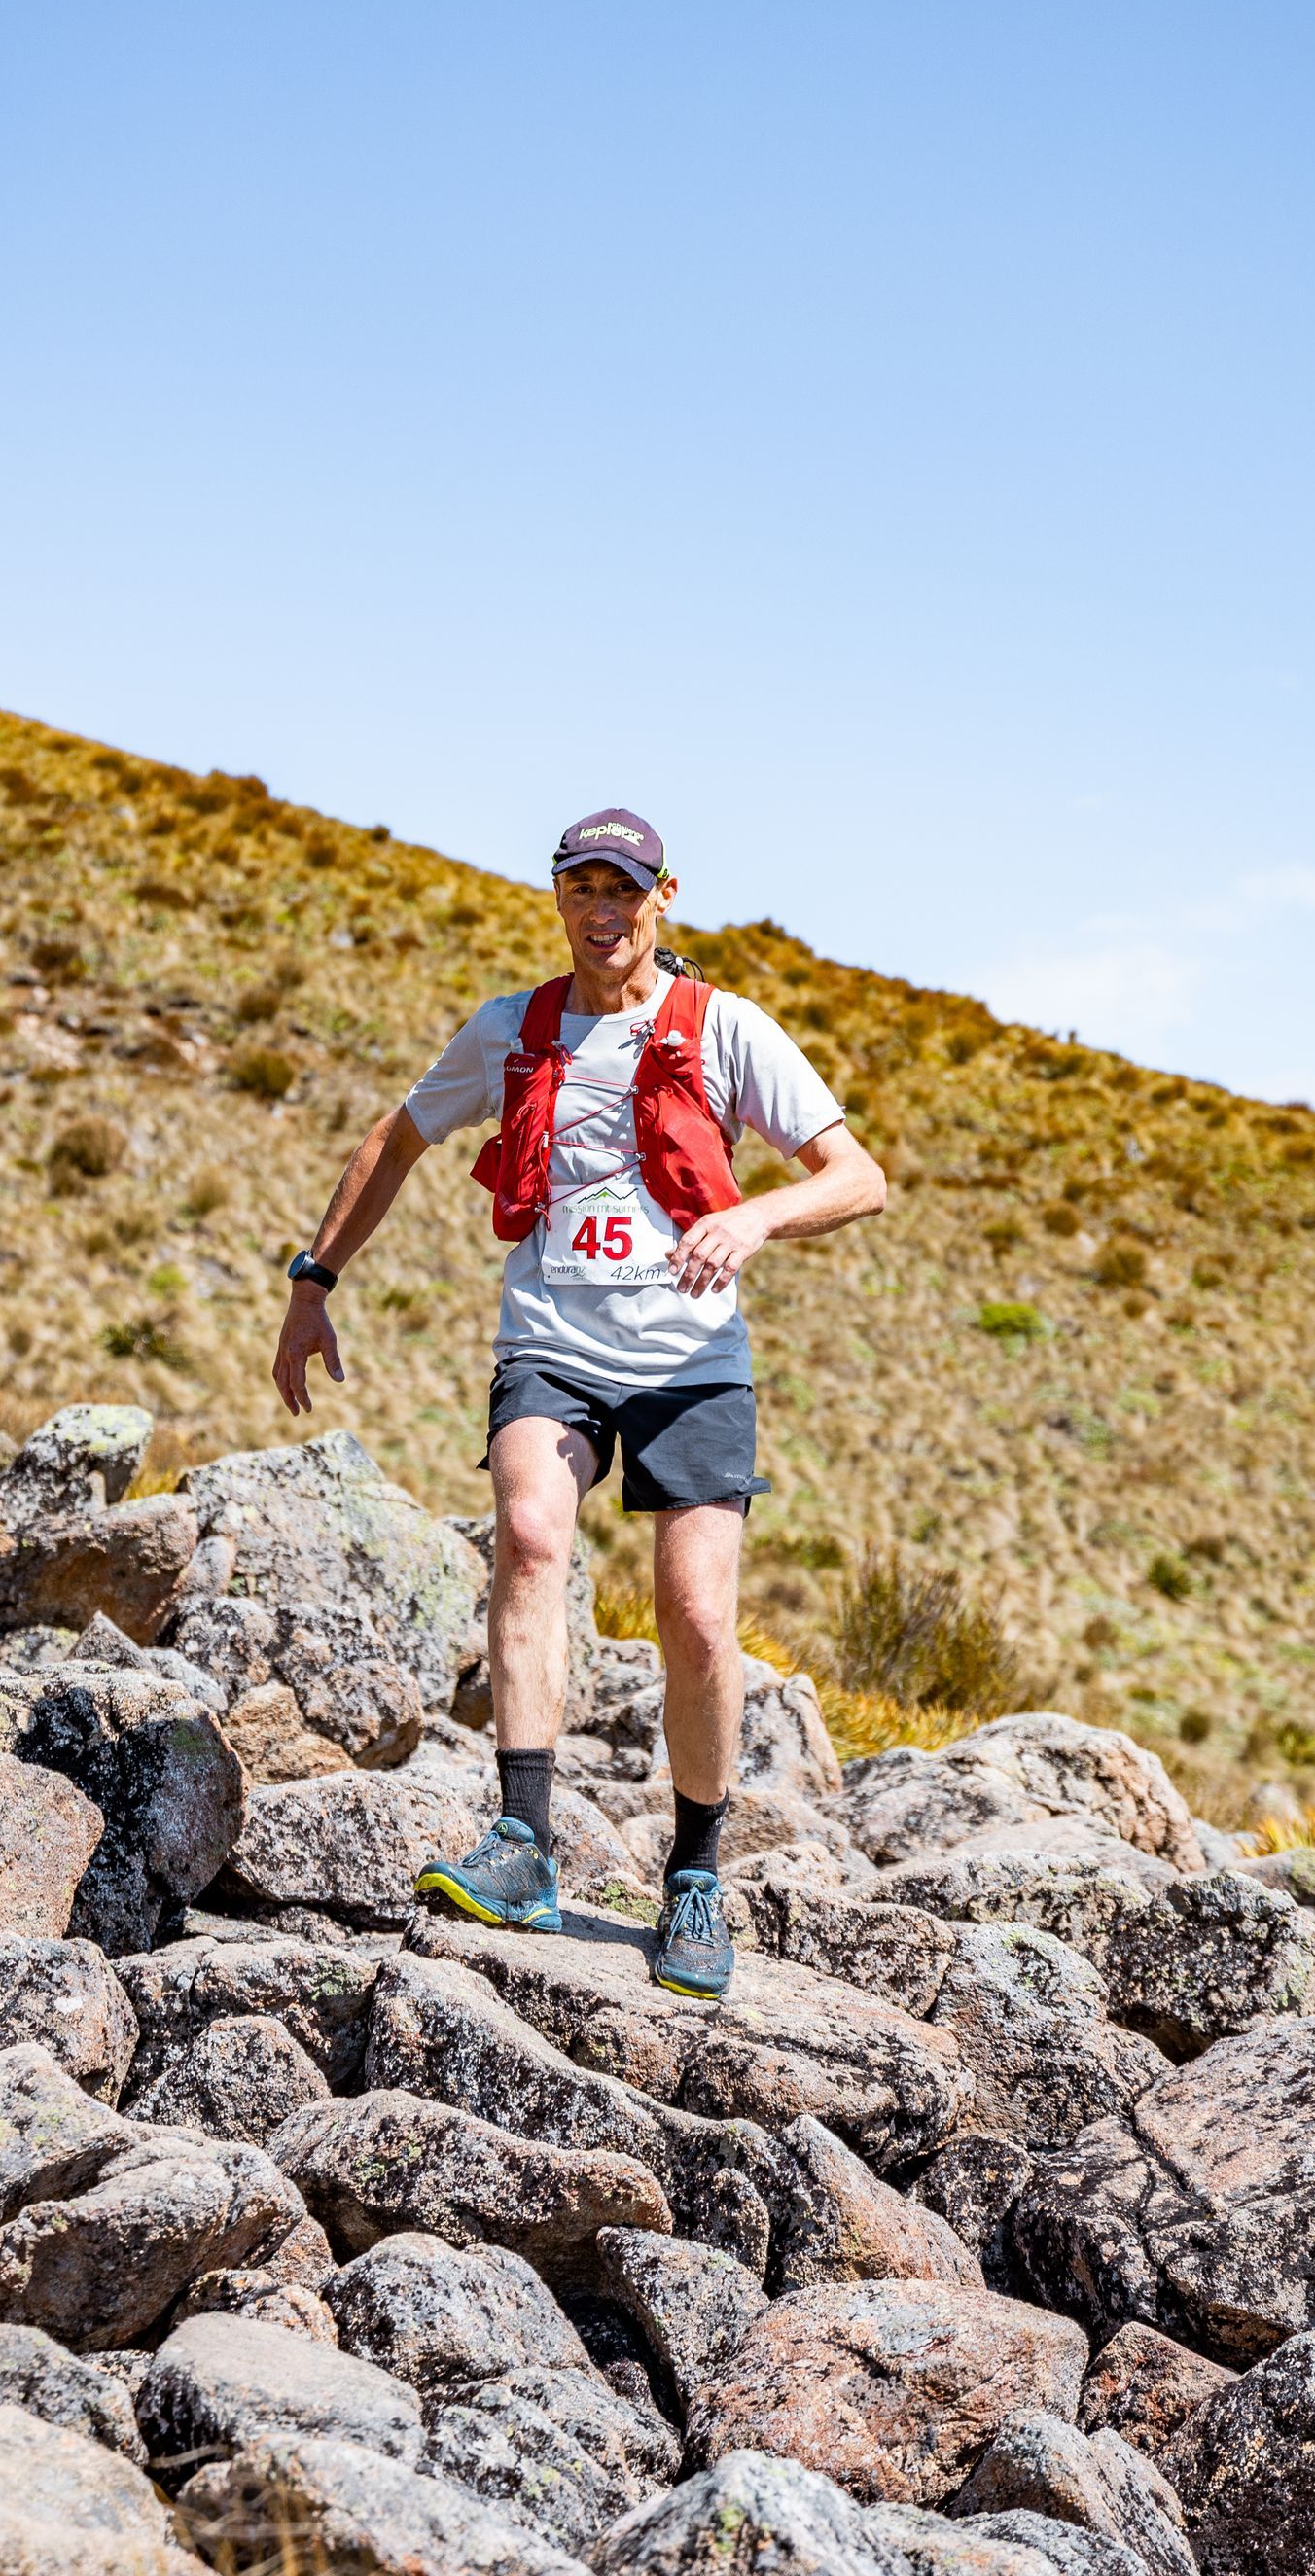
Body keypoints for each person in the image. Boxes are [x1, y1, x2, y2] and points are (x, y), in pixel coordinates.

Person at [271, 807, 886, 1997]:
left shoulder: (727, 1031)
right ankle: (522, 1844)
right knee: (532, 1533)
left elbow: (859, 1177)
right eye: (580, 888)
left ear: (664, 900)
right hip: (552, 1339)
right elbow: (393, 1141)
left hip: (692, 1356)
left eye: (624, 889)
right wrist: (314, 1280)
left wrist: (753, 1217)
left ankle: (697, 1879)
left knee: (698, 1614)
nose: (602, 910)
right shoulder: (514, 1030)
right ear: (559, 900)